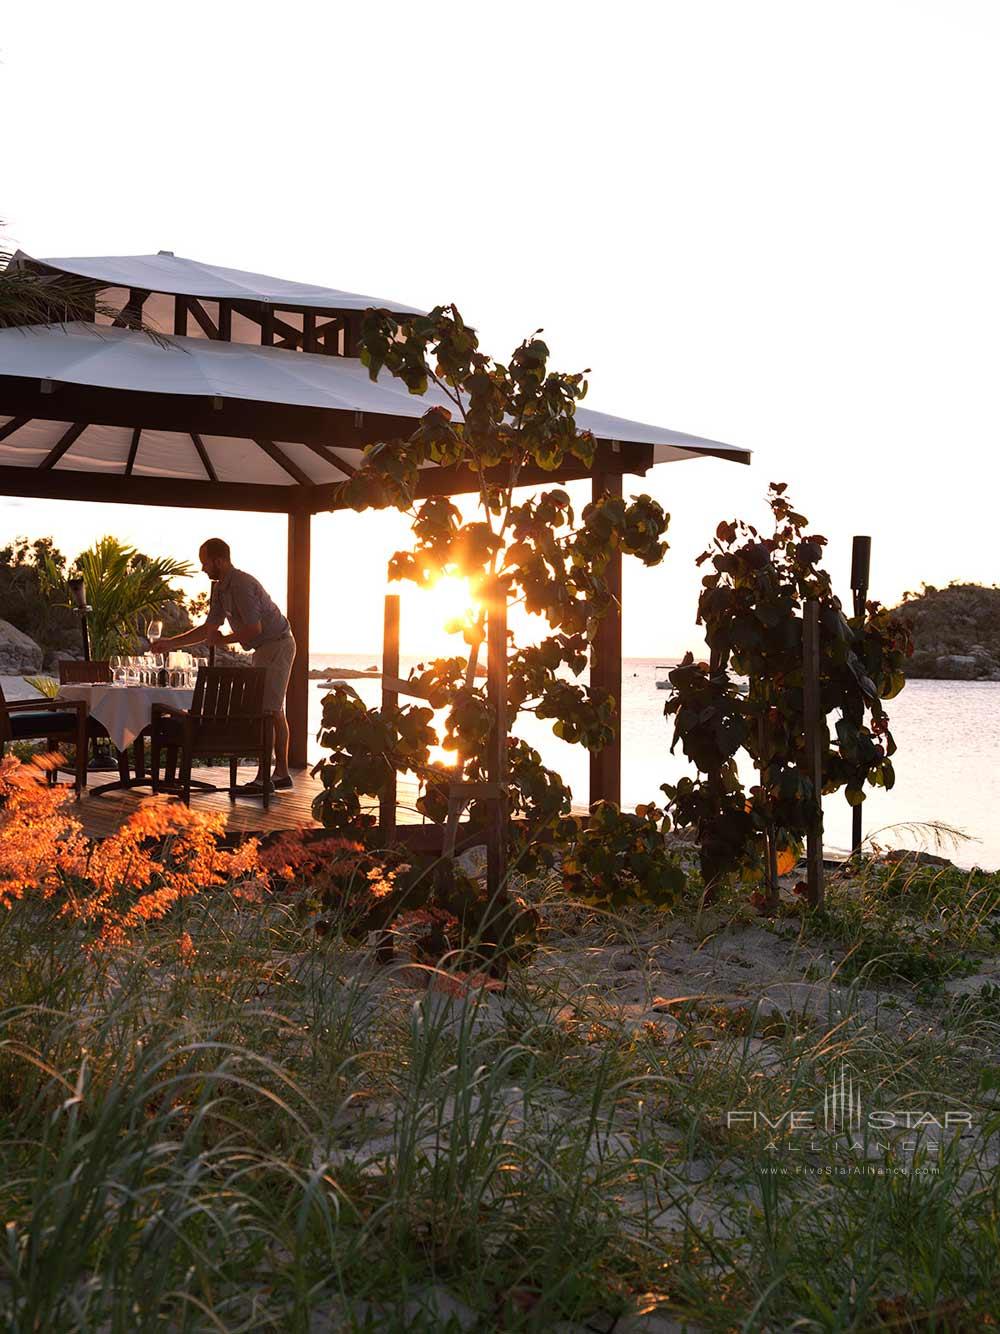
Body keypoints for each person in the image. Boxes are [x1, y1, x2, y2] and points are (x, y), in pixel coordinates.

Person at [151, 538, 296, 793]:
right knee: (273, 710)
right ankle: (281, 774)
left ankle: (266, 779)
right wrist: (170, 644)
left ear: (219, 560)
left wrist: (223, 641)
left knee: (267, 710)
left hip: (277, 643)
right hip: (264, 647)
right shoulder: (220, 589)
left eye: (205, 563)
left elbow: (254, 628)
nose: (203, 569)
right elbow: (208, 630)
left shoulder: (241, 584)